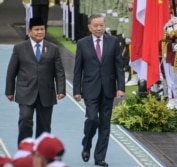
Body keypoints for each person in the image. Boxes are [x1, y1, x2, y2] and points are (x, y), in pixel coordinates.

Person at [73, 13, 125, 167]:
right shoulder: (82, 43)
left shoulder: (113, 42)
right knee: (92, 119)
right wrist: (77, 90)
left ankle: (99, 157)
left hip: (108, 89)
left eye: (101, 25)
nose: (99, 28)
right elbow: (78, 69)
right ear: (89, 27)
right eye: (95, 25)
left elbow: (118, 66)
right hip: (90, 89)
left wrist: (120, 87)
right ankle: (87, 143)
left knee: (105, 124)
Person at [5, 17, 66, 145]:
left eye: (42, 29)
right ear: (29, 31)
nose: (40, 32)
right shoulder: (19, 48)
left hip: (46, 93)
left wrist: (61, 90)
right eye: (37, 29)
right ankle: (24, 151)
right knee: (25, 120)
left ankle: (41, 154)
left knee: (44, 126)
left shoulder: (53, 48)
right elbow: (12, 71)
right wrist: (10, 91)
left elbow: (59, 71)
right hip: (25, 91)